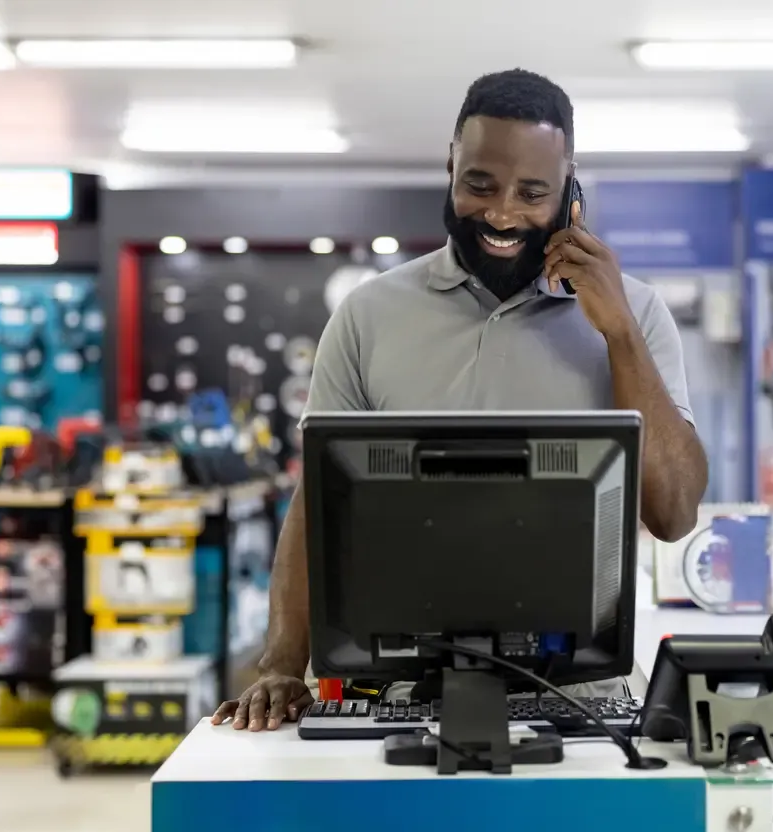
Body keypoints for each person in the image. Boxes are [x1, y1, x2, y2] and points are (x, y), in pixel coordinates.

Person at [214, 68, 710, 732]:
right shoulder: (368, 315)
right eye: (479, 184)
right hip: (393, 688)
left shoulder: (636, 314)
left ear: (569, 195)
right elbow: (317, 506)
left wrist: (617, 333)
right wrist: (280, 664)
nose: (502, 214)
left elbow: (673, 513)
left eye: (532, 193)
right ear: (450, 167)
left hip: (578, 692)